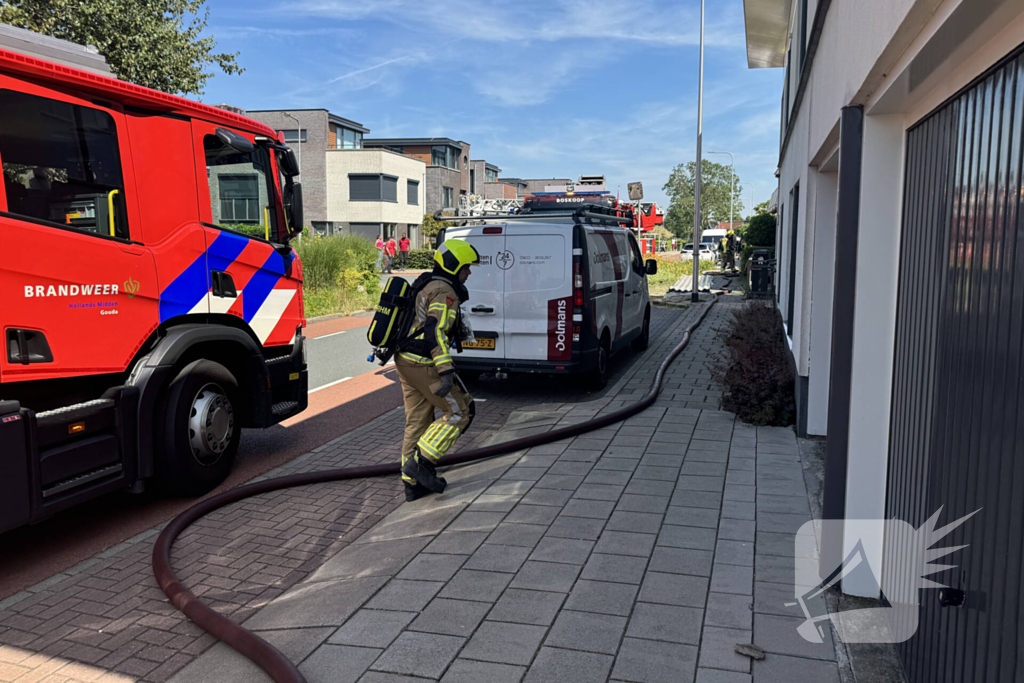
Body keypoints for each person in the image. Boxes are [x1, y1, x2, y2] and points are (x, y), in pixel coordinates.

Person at [396, 239, 479, 501]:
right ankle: (420, 465)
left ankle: (412, 484)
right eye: (466, 267)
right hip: (424, 363)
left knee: (417, 421)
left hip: (405, 360)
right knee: (460, 411)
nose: (469, 272)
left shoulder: (426, 283)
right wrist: (445, 370)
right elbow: (435, 332)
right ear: (455, 267)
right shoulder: (444, 291)